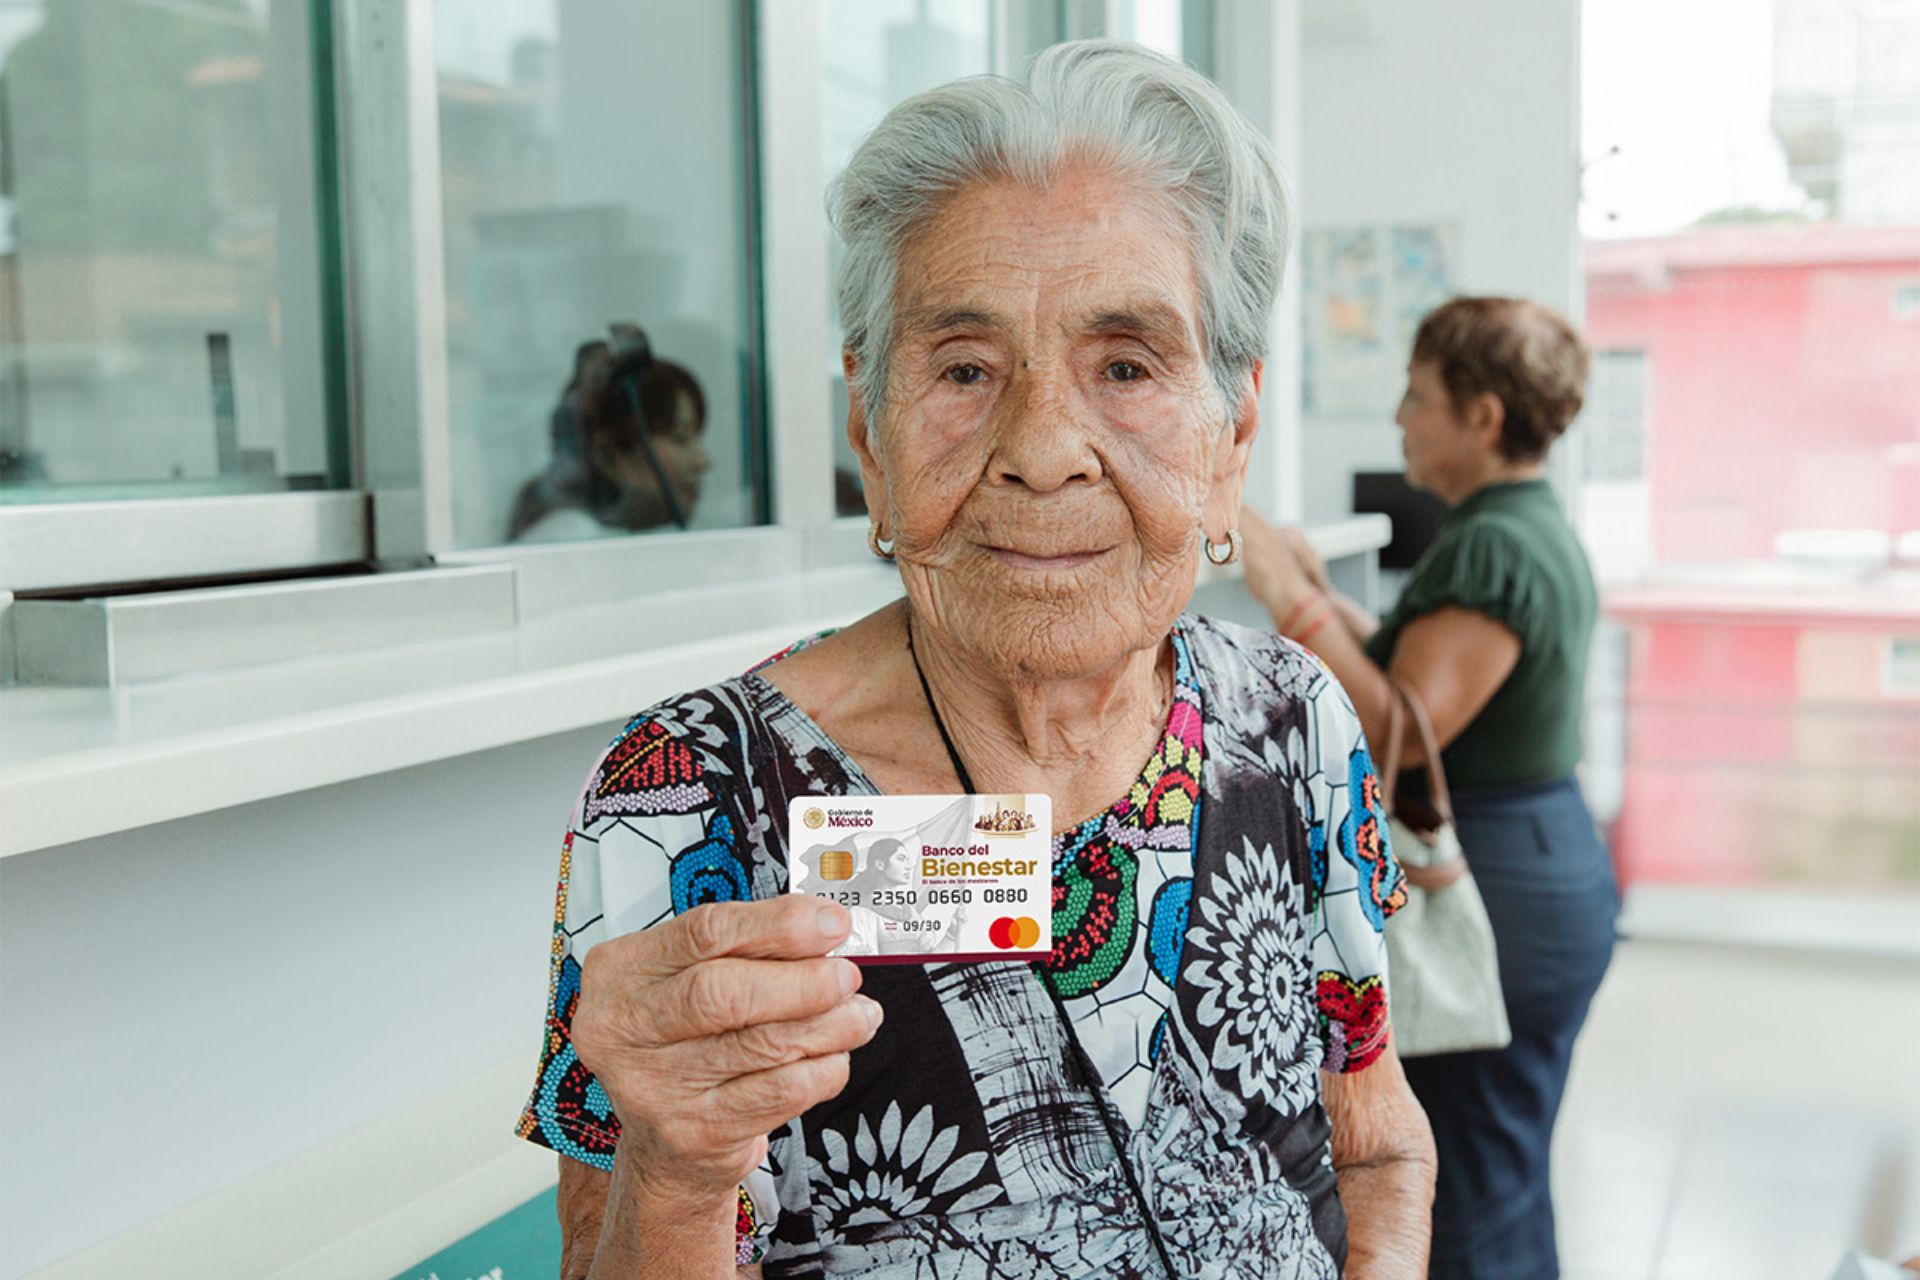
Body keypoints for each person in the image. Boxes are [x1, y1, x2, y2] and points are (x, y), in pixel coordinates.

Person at [517, 41, 1435, 1278]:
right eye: (964, 368)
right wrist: (675, 1172)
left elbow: (1377, 1148)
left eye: (1126, 364)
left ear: (1233, 441)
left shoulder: (1292, 719)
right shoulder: (688, 796)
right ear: (870, 439)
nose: (1044, 447)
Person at [1241, 295, 1616, 1280]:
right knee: (1504, 1169)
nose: (1401, 421)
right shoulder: (1517, 526)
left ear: (1483, 417)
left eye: (1417, 398)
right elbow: (1418, 677)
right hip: (1541, 861)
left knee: (1470, 1186)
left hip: (1501, 881)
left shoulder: (1493, 542)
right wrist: (1323, 596)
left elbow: (1400, 722)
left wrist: (1288, 597)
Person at [507, 324, 710, 543]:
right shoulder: (571, 542)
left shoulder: (629, 542)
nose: (703, 462)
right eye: (681, 438)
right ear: (610, 451)